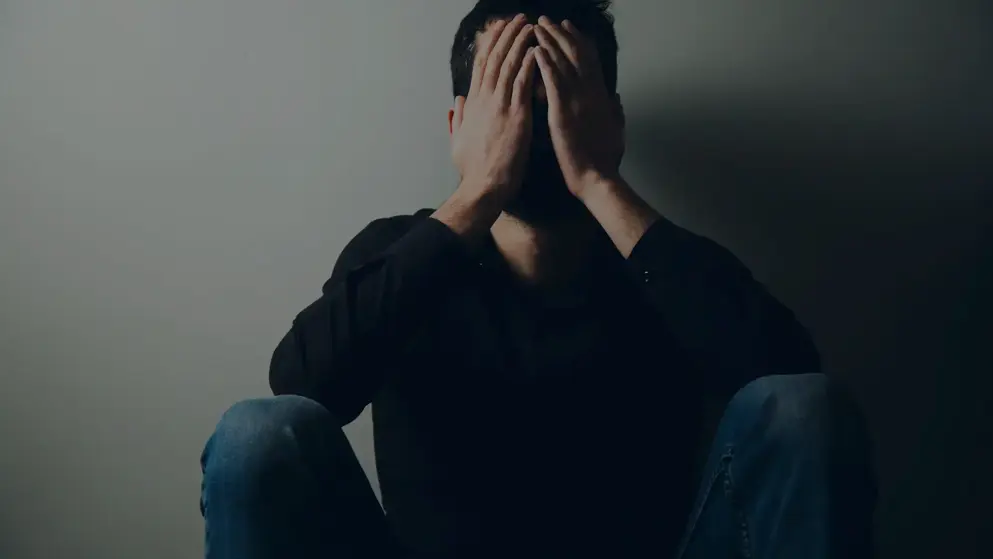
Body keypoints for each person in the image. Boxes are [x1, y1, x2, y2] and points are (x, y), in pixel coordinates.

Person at [199, 1, 876, 557]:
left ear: (610, 119)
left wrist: (596, 180)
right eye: (511, 101)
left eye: (555, 98)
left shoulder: (667, 268)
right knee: (258, 433)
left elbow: (794, 399)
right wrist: (483, 184)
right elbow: (302, 385)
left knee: (800, 406)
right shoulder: (398, 252)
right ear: (459, 123)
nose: (534, 127)